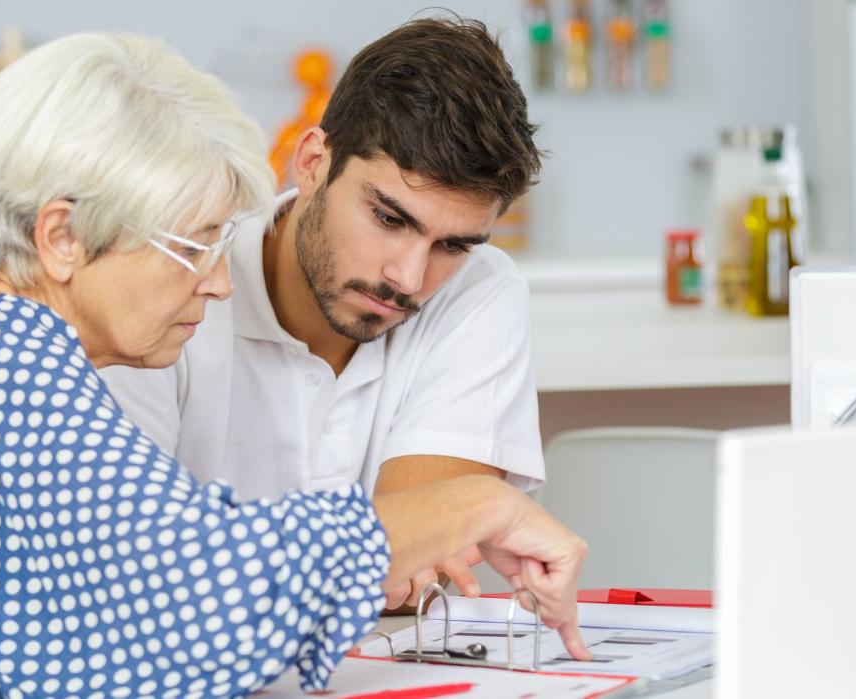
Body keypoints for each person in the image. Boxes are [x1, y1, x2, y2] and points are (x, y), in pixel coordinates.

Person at [0, 32, 588, 699]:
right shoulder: (8, 364)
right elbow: (191, 597)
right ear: (61, 238)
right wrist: (477, 502)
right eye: (194, 243)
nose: (220, 281)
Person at [102, 17, 547, 609]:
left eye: (453, 245)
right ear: (312, 162)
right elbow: (135, 570)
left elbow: (406, 582)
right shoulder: (180, 276)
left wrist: (398, 548)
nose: (408, 279)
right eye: (390, 218)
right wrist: (388, 546)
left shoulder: (481, 290)